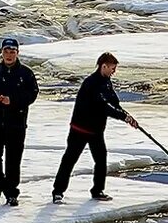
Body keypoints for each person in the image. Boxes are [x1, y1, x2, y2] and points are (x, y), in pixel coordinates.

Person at [51, 52, 138, 204]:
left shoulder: (107, 82)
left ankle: (97, 190)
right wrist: (123, 117)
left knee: (101, 160)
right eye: (112, 68)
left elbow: (114, 104)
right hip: (80, 129)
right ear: (103, 66)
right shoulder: (91, 83)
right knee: (69, 160)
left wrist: (127, 116)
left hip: (96, 131)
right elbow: (104, 106)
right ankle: (58, 191)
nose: (114, 71)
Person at [0, 38, 39, 207]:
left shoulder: (26, 73)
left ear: (17, 53)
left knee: (13, 159)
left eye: (12, 52)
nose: (9, 55)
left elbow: (32, 94)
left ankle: (11, 193)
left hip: (16, 123)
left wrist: (12, 100)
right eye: (6, 51)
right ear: (2, 53)